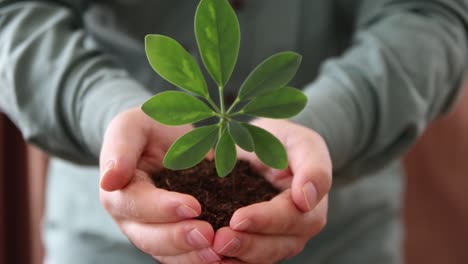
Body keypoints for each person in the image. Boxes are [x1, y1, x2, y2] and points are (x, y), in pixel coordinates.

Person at [0, 0, 467, 263]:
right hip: (110, 230)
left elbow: (430, 17)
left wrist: (326, 122)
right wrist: (103, 109)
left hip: (340, 232)